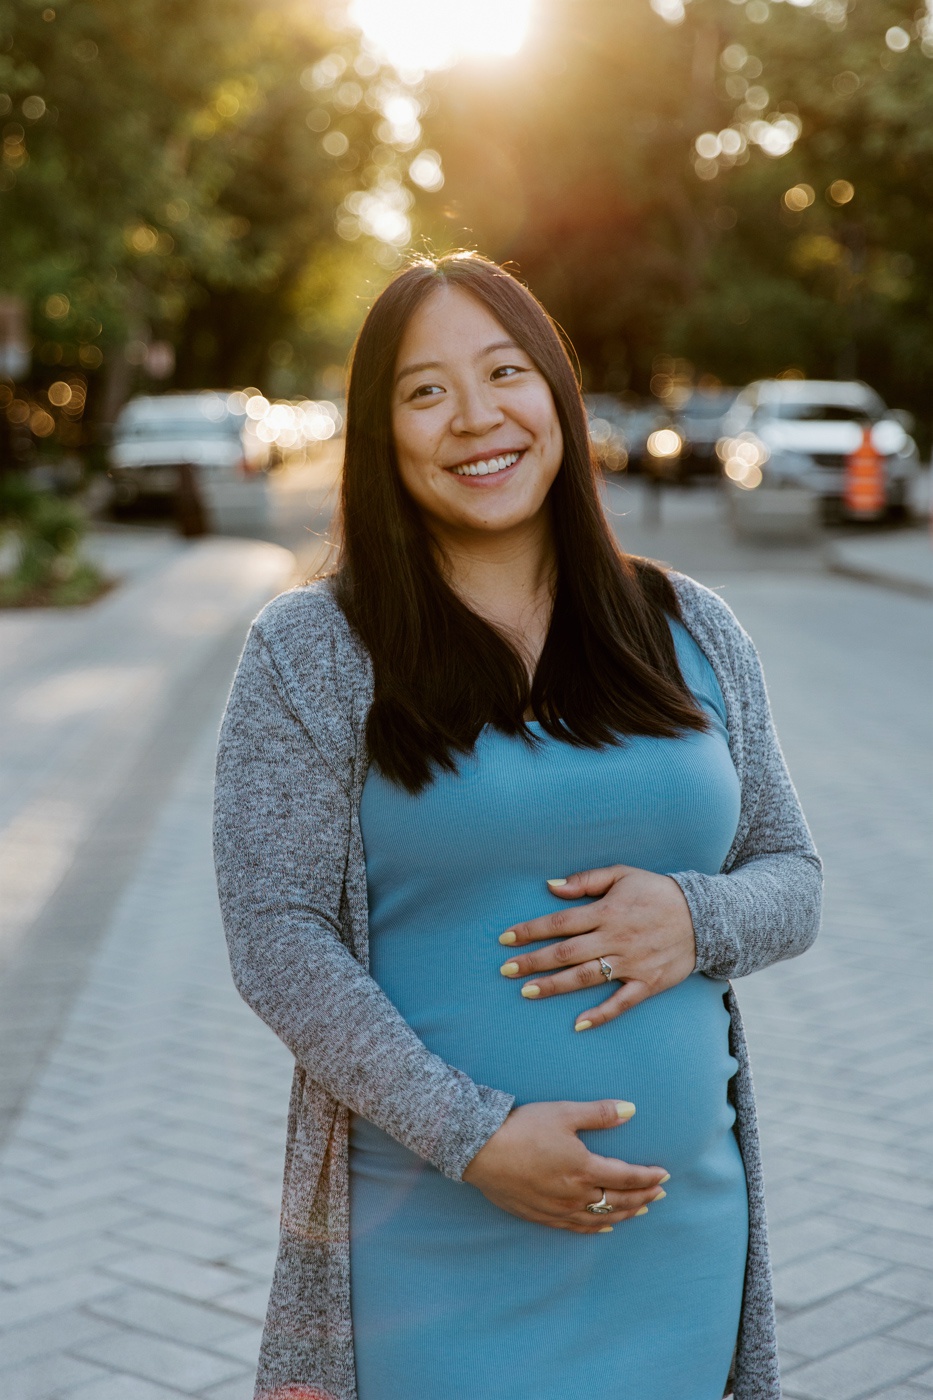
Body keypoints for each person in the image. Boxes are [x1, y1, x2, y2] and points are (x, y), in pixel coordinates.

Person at [213, 252, 822, 1400]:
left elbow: (793, 872)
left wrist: (697, 914)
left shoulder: (690, 626)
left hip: (676, 1246)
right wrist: (474, 1135)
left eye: (505, 372)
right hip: (430, 1243)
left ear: (556, 393)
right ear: (380, 432)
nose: (477, 417)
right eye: (425, 389)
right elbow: (278, 939)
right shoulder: (312, 651)